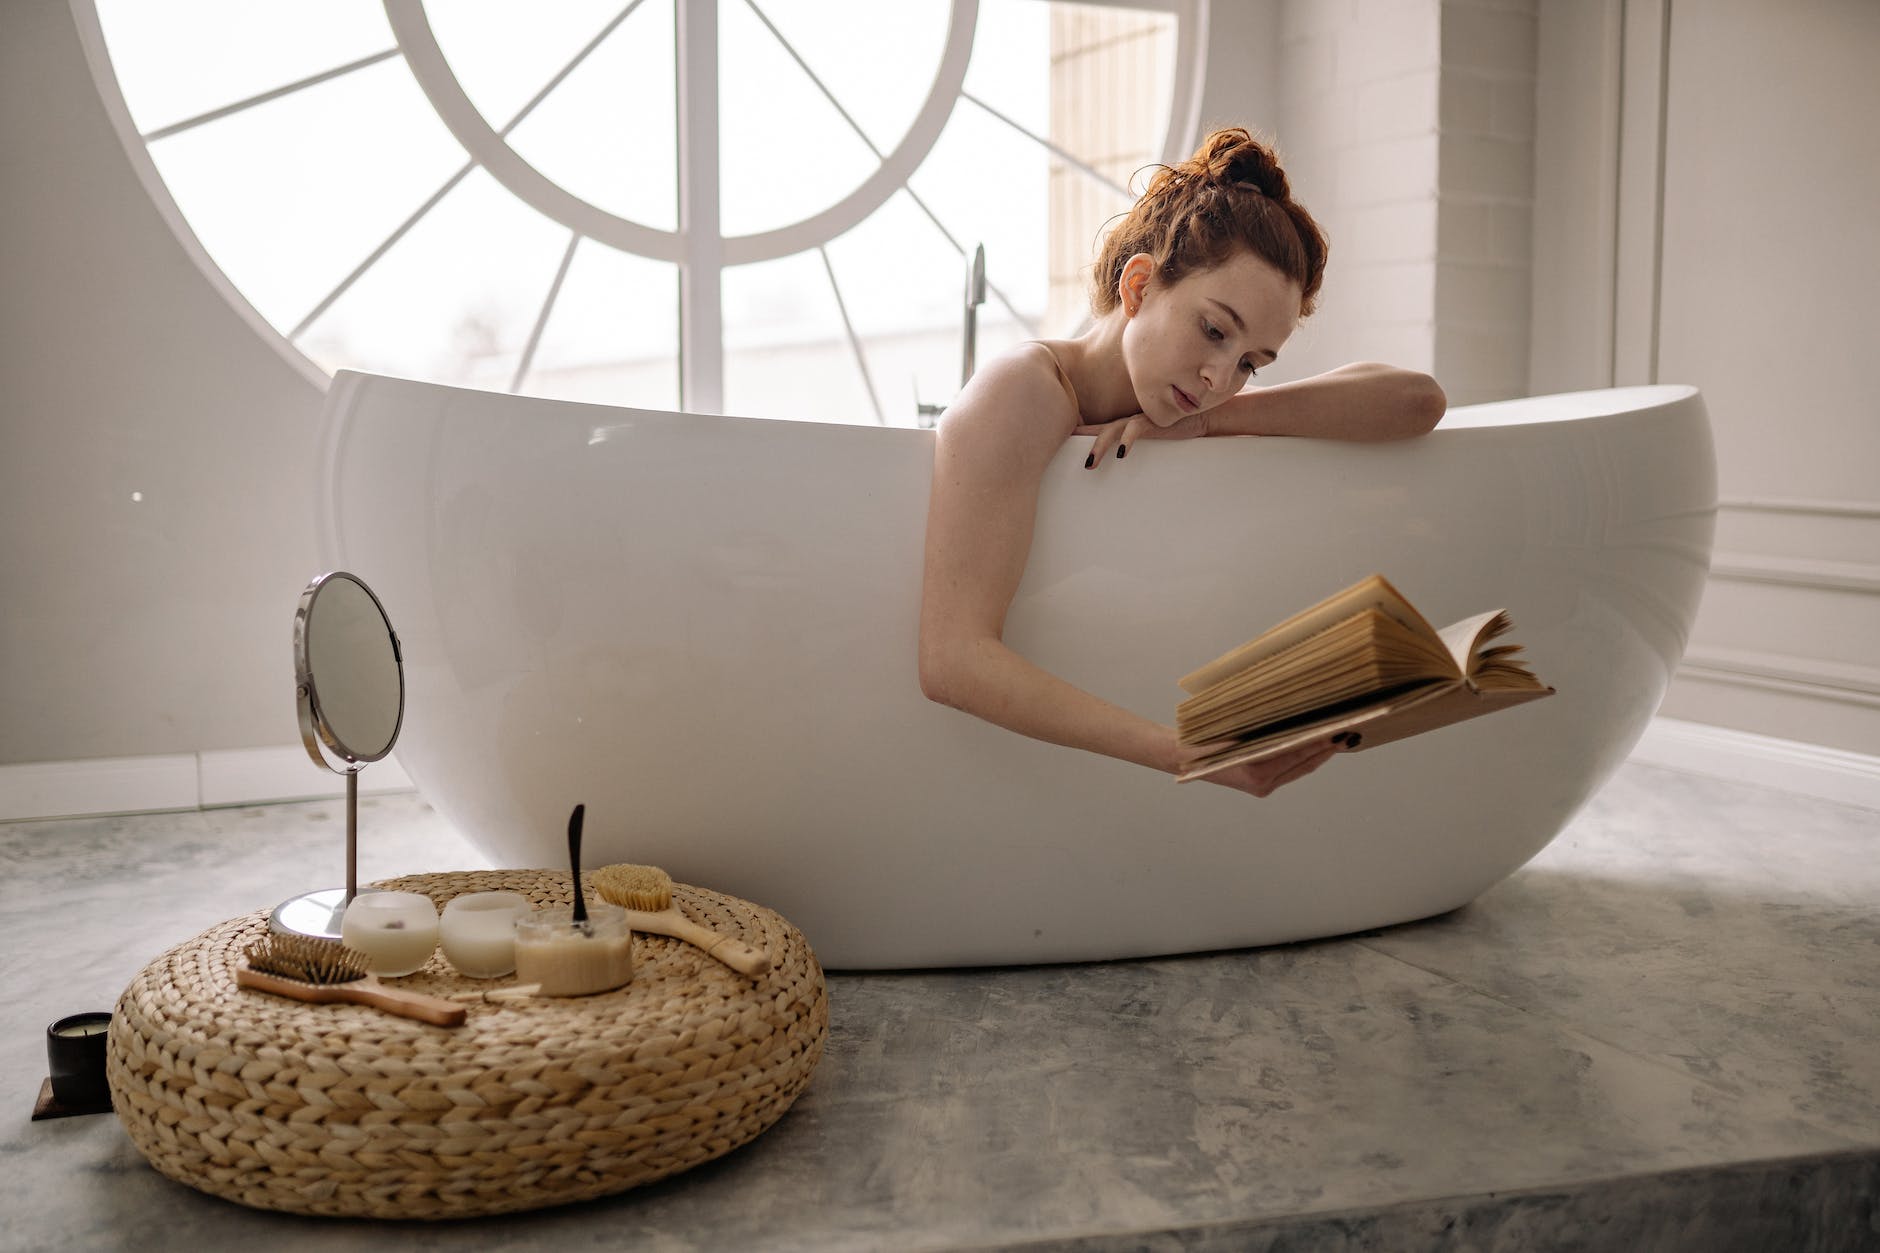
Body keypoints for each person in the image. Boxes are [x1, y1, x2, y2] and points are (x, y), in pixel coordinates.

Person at [917, 126, 1446, 799]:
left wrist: (1212, 421)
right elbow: (952, 660)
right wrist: (1189, 752)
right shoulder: (1025, 389)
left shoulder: (1198, 403)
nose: (1221, 374)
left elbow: (1418, 401)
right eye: (1215, 330)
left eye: (1251, 363)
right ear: (1138, 287)